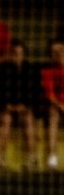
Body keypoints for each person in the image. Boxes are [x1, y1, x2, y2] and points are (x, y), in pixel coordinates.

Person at [0, 40, 41, 171]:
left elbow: (34, 91)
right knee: (5, 121)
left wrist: (25, 106)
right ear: (10, 55)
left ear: (24, 55)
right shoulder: (2, 70)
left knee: (28, 121)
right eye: (14, 53)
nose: (17, 56)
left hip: (25, 107)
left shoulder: (31, 70)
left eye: (20, 53)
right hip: (6, 107)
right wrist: (7, 106)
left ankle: (31, 159)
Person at [41, 39, 64, 170]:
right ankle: (52, 158)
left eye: (61, 50)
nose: (59, 54)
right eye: (54, 52)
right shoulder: (48, 72)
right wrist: (61, 105)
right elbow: (50, 95)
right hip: (57, 105)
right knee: (53, 114)